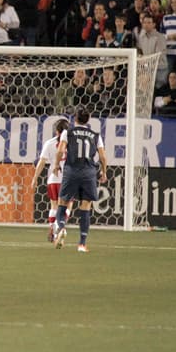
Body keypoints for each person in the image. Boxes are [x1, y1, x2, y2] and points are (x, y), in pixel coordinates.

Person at [52, 107, 107, 253]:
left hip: (71, 171)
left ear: (75, 119)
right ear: (88, 120)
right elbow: (102, 156)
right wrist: (104, 171)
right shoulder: (96, 135)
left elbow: (60, 150)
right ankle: (82, 244)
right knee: (86, 206)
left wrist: (56, 165)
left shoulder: (67, 132)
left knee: (62, 202)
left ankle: (61, 227)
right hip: (88, 173)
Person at [33, 118, 70, 241]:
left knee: (54, 206)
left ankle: (52, 231)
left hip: (53, 179)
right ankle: (58, 227)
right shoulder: (72, 143)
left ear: (56, 131)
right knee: (67, 206)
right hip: (67, 179)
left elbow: (42, 162)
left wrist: (35, 178)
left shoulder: (49, 143)